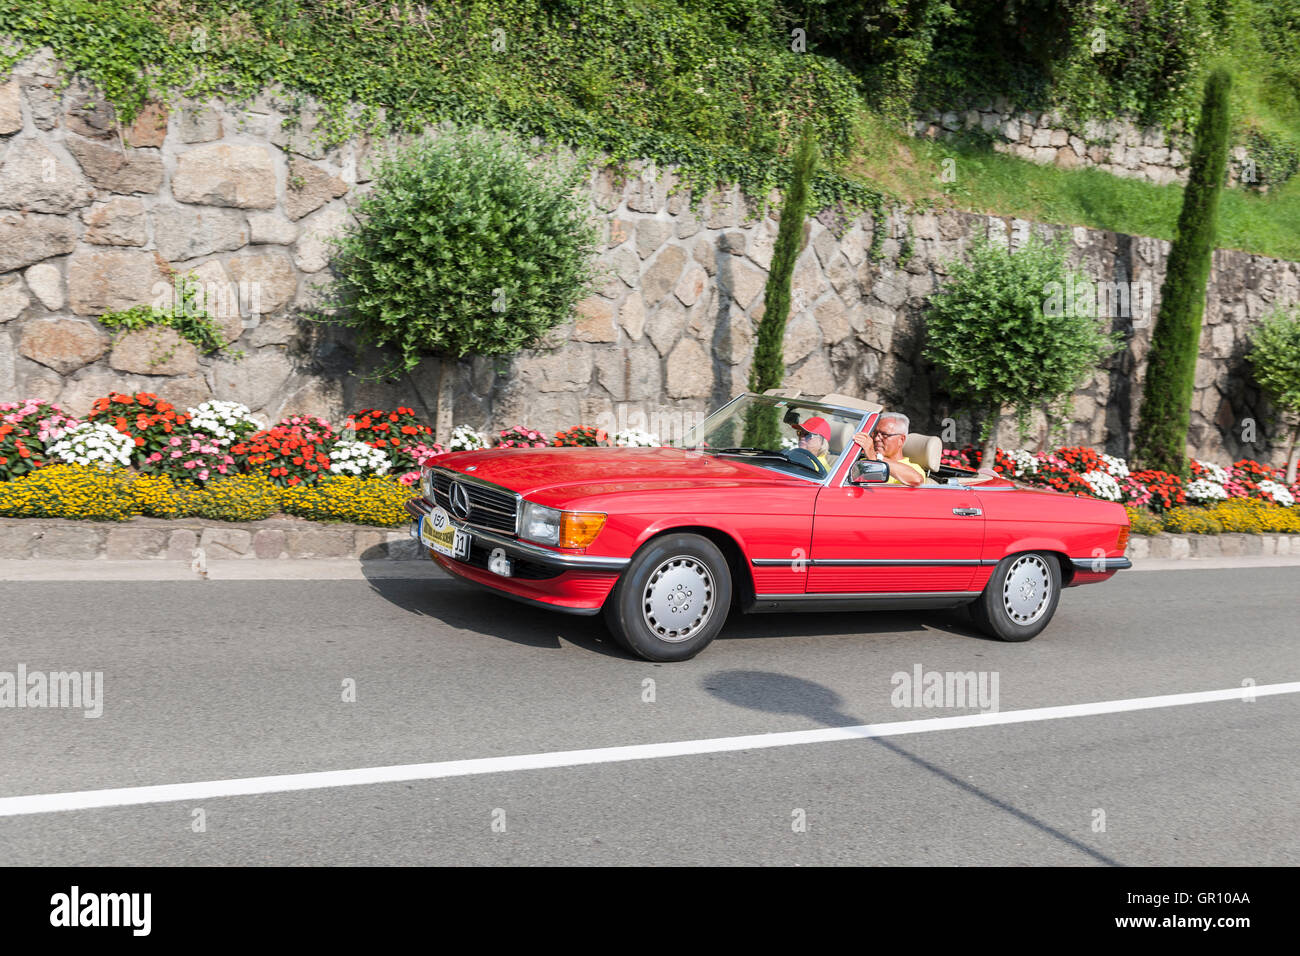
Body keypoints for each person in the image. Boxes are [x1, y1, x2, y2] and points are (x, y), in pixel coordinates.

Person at [852, 411, 926, 486]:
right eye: (875, 433)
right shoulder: (861, 462)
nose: (876, 438)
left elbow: (917, 480)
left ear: (901, 440)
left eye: (884, 434)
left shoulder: (913, 468)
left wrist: (875, 458)